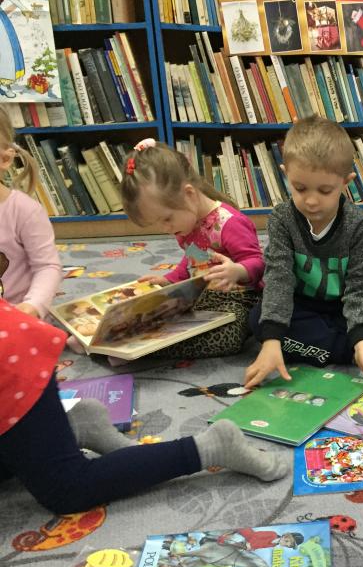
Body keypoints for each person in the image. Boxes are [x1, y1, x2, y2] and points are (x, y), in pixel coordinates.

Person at [0, 300, 289, 515]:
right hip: (11, 341)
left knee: (66, 488)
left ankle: (211, 447)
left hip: (9, 358)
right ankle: (75, 426)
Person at [244, 116, 363, 389]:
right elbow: (279, 279)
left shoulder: (359, 225)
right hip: (301, 305)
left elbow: (361, 287)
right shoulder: (281, 219)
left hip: (344, 306)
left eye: (325, 190)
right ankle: (351, 352)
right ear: (285, 174)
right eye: (300, 188)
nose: (311, 200)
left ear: (346, 182)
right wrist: (272, 340)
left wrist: (361, 339)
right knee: (260, 321)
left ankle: (349, 347)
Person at [118, 138, 265, 361]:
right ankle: (117, 341)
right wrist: (168, 280)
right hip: (203, 293)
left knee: (230, 335)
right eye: (158, 223)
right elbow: (193, 260)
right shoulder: (186, 226)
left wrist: (237, 271)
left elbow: (259, 262)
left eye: (167, 219)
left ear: (190, 194)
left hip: (241, 297)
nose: (165, 229)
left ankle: (145, 351)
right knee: (160, 309)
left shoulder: (230, 223)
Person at [0, 107, 62, 318]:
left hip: (16, 316)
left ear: (4, 159)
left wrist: (33, 306)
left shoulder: (24, 211)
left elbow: (47, 266)